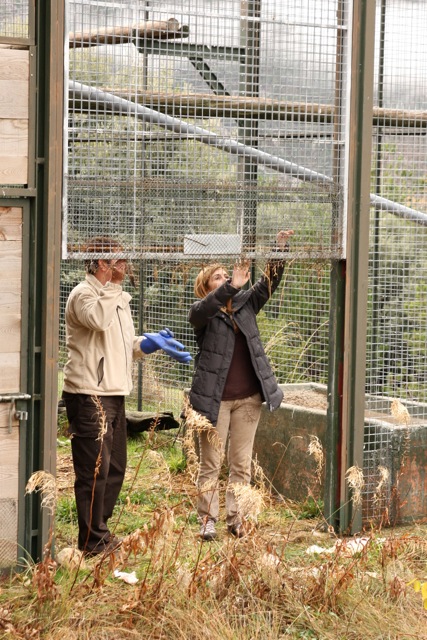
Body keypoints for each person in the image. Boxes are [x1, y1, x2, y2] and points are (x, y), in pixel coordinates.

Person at [62, 236, 191, 556]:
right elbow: (96, 320)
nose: (126, 265)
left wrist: (147, 344)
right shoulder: (84, 294)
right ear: (103, 263)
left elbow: (121, 344)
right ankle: (92, 542)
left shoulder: (115, 297)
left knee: (115, 466)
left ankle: (99, 532)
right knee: (94, 469)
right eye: (119, 260)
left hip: (114, 392)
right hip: (89, 393)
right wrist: (112, 287)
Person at [188, 230, 294, 540]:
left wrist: (279, 249)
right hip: (214, 401)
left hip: (248, 400)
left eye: (227, 275)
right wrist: (231, 285)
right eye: (217, 278)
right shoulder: (203, 314)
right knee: (211, 462)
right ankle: (207, 519)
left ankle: (237, 519)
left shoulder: (246, 305)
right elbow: (201, 310)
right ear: (207, 288)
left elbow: (268, 284)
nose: (225, 279)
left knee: (240, 464)